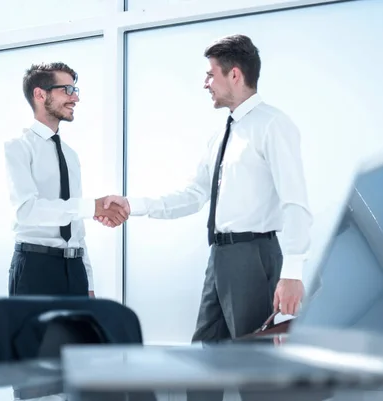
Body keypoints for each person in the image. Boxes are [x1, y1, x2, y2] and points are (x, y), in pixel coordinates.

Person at [99, 34, 312, 342]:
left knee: (253, 367)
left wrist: (293, 272)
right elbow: (195, 195)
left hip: (254, 256)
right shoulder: (221, 136)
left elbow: (295, 200)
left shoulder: (272, 125)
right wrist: (134, 205)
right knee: (204, 352)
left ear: (235, 74)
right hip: (220, 258)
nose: (205, 82)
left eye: (211, 74)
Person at [4, 62, 129, 298]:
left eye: (75, 91)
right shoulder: (17, 147)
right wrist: (92, 206)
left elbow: (75, 226)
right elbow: (26, 211)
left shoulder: (70, 155)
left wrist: (88, 280)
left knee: (78, 336)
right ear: (40, 94)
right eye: (67, 90)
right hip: (35, 268)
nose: (75, 99)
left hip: (74, 269)